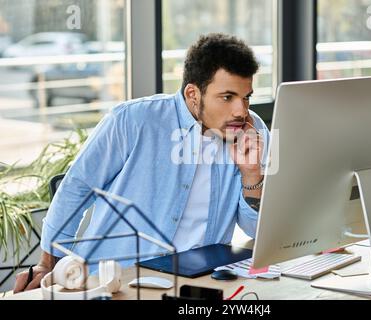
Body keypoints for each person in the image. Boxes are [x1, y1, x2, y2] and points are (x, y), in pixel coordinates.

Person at [14, 33, 269, 293]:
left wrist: (251, 174)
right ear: (193, 93)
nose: (241, 110)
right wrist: (48, 263)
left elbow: (254, 229)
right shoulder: (133, 121)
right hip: (115, 282)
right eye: (227, 97)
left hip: (199, 282)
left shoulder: (252, 131)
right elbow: (76, 189)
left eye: (246, 97)